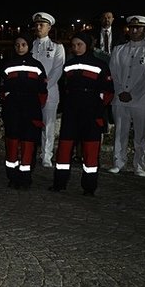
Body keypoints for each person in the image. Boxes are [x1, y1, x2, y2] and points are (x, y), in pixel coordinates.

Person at [49, 32, 114, 195]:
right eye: (73, 45)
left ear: (87, 45)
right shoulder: (68, 65)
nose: (76, 48)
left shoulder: (100, 65)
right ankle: (59, 183)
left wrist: (97, 109)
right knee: (64, 150)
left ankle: (89, 187)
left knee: (90, 152)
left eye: (80, 44)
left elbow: (108, 91)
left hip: (91, 114)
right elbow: (64, 88)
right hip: (71, 113)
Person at [0, 33, 48, 189]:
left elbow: (43, 91)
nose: (20, 47)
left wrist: (34, 105)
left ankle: (25, 178)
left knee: (28, 145)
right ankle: (12, 177)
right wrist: (8, 102)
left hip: (31, 110)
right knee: (12, 144)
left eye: (23, 44)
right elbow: (2, 89)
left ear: (29, 46)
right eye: (17, 45)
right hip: (12, 110)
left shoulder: (37, 66)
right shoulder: (7, 65)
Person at [108, 15, 145, 177]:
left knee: (140, 134)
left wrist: (133, 93)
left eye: (138, 28)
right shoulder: (118, 49)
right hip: (120, 97)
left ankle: (139, 165)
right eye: (132, 28)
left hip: (142, 99)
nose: (134, 31)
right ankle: (118, 162)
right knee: (120, 132)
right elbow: (113, 72)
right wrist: (121, 91)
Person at [30, 12, 66, 168]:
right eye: (37, 24)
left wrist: (43, 87)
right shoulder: (29, 45)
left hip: (49, 92)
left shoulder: (57, 47)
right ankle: (30, 153)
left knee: (48, 125)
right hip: (30, 92)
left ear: (49, 27)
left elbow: (57, 70)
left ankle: (46, 156)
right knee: (30, 124)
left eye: (42, 25)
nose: (38, 27)